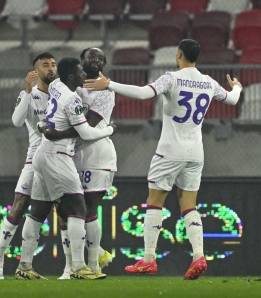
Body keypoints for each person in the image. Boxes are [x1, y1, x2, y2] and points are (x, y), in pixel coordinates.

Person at [83, 39, 242, 280]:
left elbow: (144, 93)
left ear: (178, 54)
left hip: (169, 150)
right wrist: (238, 87)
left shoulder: (172, 78)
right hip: (196, 152)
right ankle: (198, 255)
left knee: (155, 201)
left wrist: (110, 84)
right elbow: (232, 99)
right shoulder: (208, 82)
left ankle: (148, 259)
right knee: (189, 204)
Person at [15, 57, 115, 280]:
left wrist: (46, 126)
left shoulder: (56, 86)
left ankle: (24, 266)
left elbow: (51, 117)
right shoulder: (72, 99)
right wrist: (108, 130)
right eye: (81, 72)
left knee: (38, 212)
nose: (84, 75)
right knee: (78, 208)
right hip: (58, 157)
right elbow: (87, 133)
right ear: (71, 76)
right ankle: (79, 268)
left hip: (42, 154)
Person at [44, 48, 115, 279]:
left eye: (100, 57)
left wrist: (55, 133)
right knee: (67, 213)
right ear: (80, 65)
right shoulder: (72, 87)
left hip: (96, 155)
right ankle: (71, 266)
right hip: (71, 155)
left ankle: (93, 265)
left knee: (88, 211)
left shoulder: (106, 90)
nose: (96, 60)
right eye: (90, 57)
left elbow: (90, 126)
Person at [0, 52, 56, 280]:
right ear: (35, 71)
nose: (51, 68)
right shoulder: (28, 94)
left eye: (53, 64)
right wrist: (27, 92)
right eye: (45, 65)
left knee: (51, 211)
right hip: (34, 159)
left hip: (60, 159)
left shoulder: (63, 94)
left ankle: (27, 266)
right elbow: (17, 121)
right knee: (20, 204)